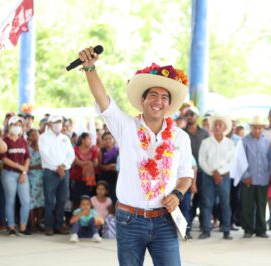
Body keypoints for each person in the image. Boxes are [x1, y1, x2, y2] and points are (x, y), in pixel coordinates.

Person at [79, 48, 193, 266]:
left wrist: (177, 195)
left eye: (163, 97)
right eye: (153, 95)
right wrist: (89, 68)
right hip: (129, 219)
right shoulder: (127, 128)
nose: (158, 101)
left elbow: (186, 175)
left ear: (168, 105)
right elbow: (103, 101)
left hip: (165, 220)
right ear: (142, 100)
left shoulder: (180, 137)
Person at [198, 115, 235, 240]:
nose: (218, 127)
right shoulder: (206, 142)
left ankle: (226, 230)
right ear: (212, 127)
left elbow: (231, 161)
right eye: (216, 125)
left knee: (225, 203)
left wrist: (219, 172)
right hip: (208, 176)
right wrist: (213, 172)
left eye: (220, 125)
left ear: (225, 128)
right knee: (207, 203)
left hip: (224, 176)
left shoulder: (230, 143)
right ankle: (206, 230)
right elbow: (201, 160)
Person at [39, 115, 75, 236]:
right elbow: (45, 155)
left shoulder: (65, 138)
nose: (59, 124)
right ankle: (48, 226)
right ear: (49, 124)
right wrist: (57, 167)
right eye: (56, 122)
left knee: (62, 200)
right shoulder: (43, 137)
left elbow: (71, 155)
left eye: (60, 122)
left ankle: (58, 225)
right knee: (49, 200)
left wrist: (63, 166)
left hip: (64, 172)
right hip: (50, 172)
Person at [241, 116, 271, 238]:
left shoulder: (266, 142)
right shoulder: (244, 141)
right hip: (249, 178)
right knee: (247, 205)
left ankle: (261, 229)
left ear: (263, 128)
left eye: (260, 128)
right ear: (251, 128)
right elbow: (241, 160)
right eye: (255, 128)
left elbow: (270, 159)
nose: (257, 130)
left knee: (261, 204)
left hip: (263, 178)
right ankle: (248, 229)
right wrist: (246, 175)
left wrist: (270, 174)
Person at [0, 116, 31, 236]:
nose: (18, 127)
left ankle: (23, 228)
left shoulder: (23, 140)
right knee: (10, 200)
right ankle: (11, 227)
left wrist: (24, 172)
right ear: (10, 126)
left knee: (25, 201)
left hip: (22, 174)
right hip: (9, 174)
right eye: (15, 125)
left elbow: (28, 157)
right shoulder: (5, 141)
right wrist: (20, 167)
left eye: (20, 125)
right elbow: (4, 159)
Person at [184, 105, 209, 237]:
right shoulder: (182, 132)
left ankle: (205, 229)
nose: (189, 116)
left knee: (204, 200)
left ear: (197, 116)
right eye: (187, 114)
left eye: (192, 114)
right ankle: (186, 229)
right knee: (187, 202)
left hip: (203, 171)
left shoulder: (204, 133)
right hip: (187, 171)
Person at [70, 132, 99, 207]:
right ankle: (76, 217)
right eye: (89, 139)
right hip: (76, 180)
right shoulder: (74, 150)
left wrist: (87, 163)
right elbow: (77, 162)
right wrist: (89, 162)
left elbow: (96, 163)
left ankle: (85, 218)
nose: (90, 141)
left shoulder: (93, 150)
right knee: (76, 200)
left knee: (86, 200)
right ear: (83, 140)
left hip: (88, 181)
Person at [27, 129, 45, 232]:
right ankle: (32, 223)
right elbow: (25, 163)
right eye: (33, 135)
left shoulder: (43, 148)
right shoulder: (28, 149)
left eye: (37, 135)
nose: (35, 137)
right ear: (29, 137)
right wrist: (34, 166)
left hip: (41, 177)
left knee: (41, 200)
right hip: (31, 177)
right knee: (31, 201)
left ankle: (38, 222)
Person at [98, 132, 119, 202]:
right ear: (103, 141)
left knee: (113, 198)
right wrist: (108, 167)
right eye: (105, 139)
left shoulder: (117, 150)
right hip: (104, 177)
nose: (108, 140)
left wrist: (116, 166)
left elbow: (120, 164)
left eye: (110, 138)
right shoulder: (101, 151)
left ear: (113, 139)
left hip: (115, 177)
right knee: (103, 197)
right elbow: (99, 165)